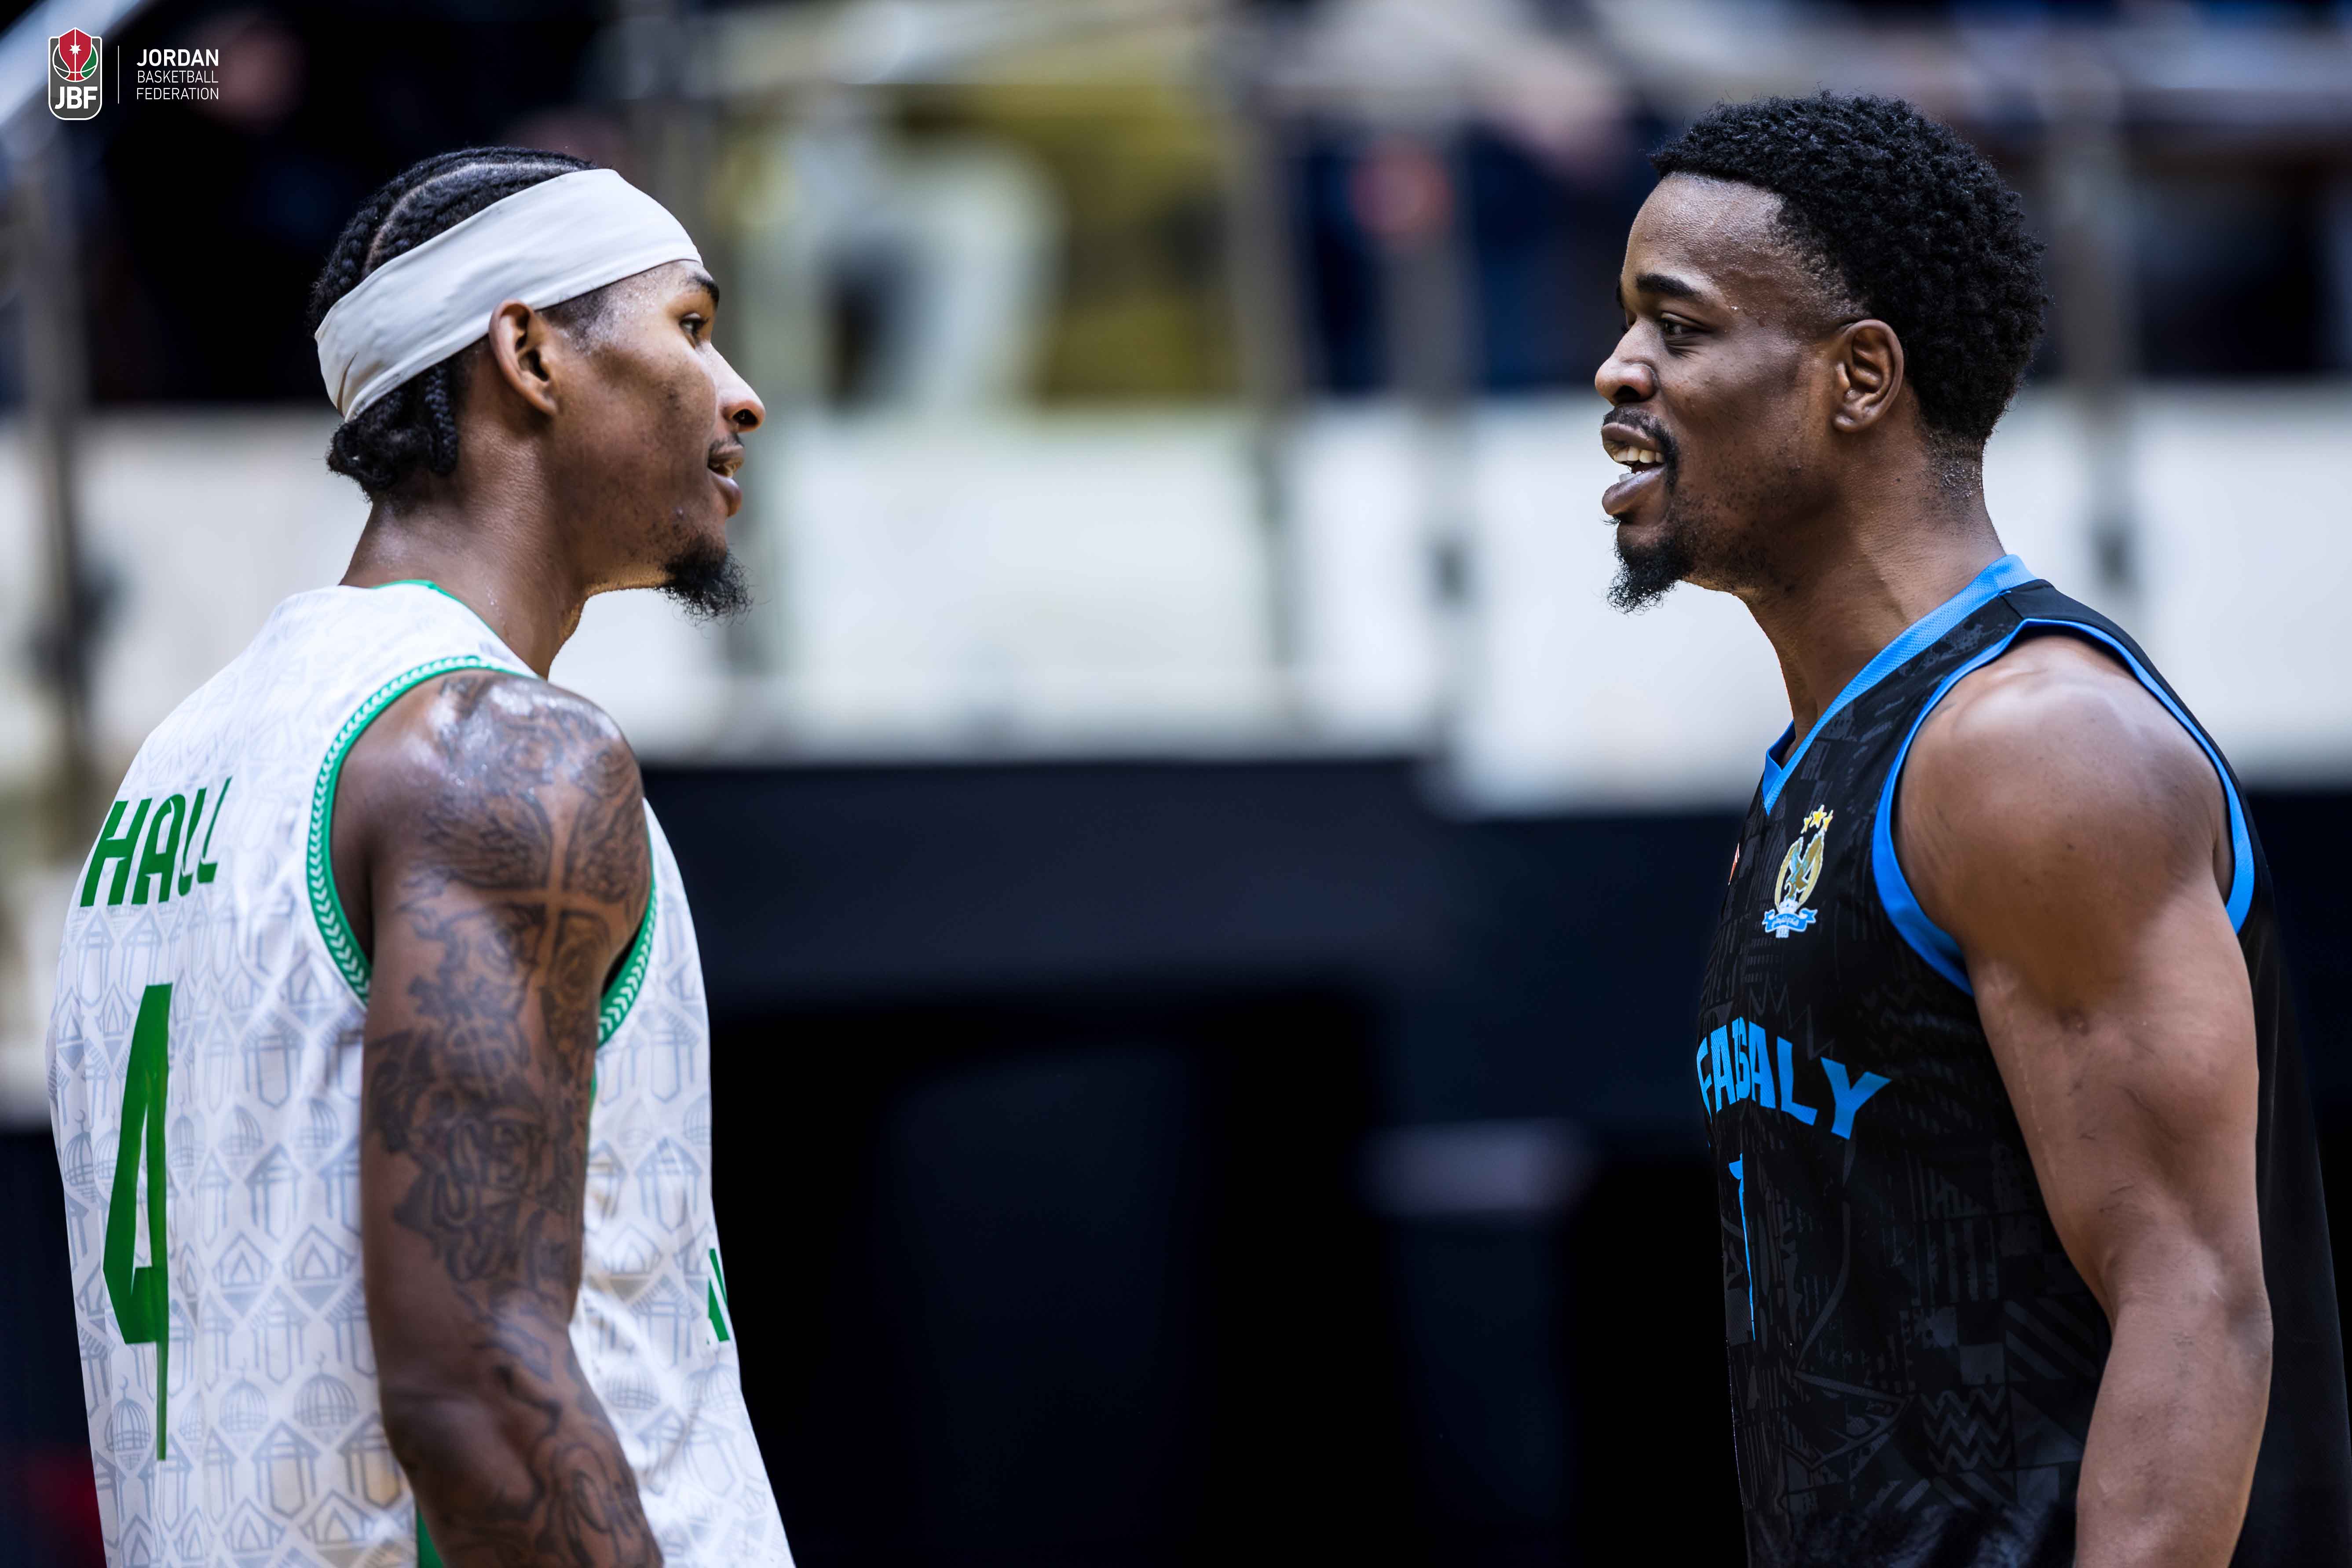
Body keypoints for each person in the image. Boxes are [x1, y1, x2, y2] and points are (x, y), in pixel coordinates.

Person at [1597, 94, 2352, 1565]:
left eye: (1675, 328)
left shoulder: (2031, 750)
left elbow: (2195, 1301)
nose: (1618, 369)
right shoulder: (1820, 773)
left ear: (1858, 377)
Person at [47, 147, 790, 1565]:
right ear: (529, 353)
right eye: (690, 327)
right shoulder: (504, 750)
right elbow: (477, 1396)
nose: (738, 392)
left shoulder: (175, 770)